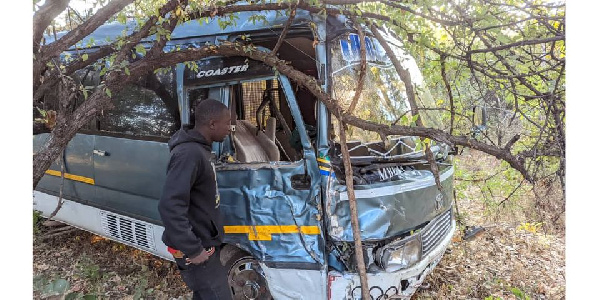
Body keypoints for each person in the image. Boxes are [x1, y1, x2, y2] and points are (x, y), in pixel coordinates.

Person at [158, 98, 232, 300]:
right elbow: (170, 206)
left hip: (205, 244)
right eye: (227, 122)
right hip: (198, 250)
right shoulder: (189, 154)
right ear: (212, 124)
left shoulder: (201, 151)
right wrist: (193, 249)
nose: (230, 128)